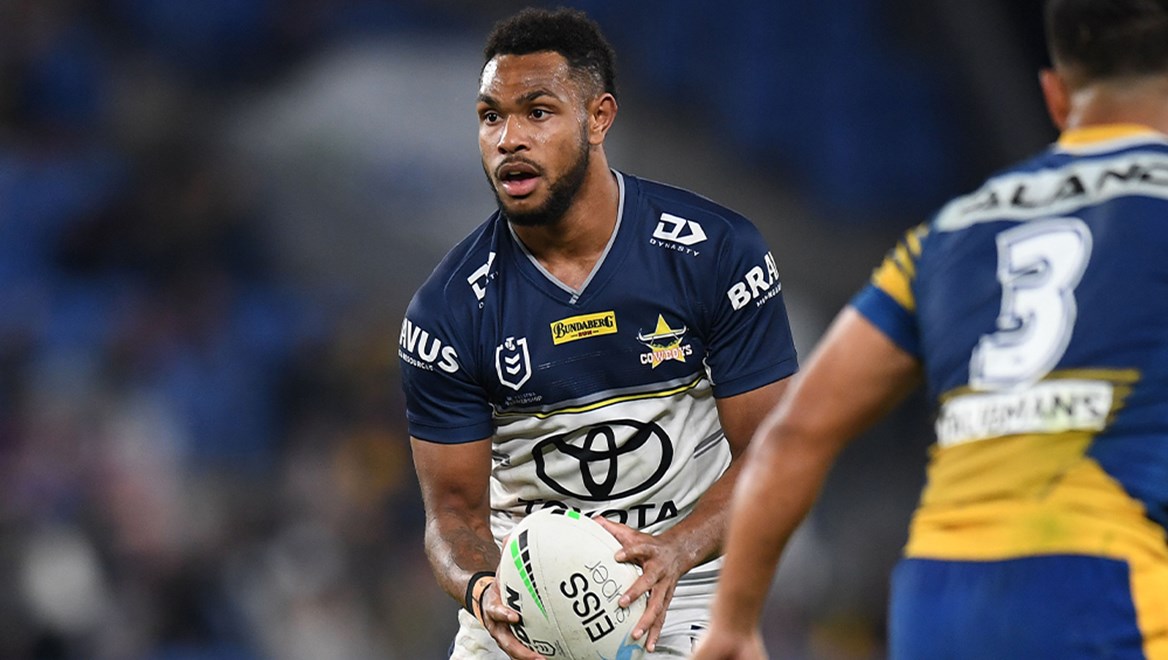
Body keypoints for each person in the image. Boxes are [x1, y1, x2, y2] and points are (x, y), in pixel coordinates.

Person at [693, 0, 1168, 658]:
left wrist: (734, 621)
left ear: (1056, 96)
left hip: (940, 604)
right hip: (1108, 589)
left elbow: (795, 434)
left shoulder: (948, 233)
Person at [398, 7, 800, 659]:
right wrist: (480, 590)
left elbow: (774, 453)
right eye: (491, 117)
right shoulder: (447, 312)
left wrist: (677, 549)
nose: (509, 139)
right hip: (524, 606)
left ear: (599, 117)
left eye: (537, 112)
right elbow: (453, 516)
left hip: (686, 590)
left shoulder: (716, 253)